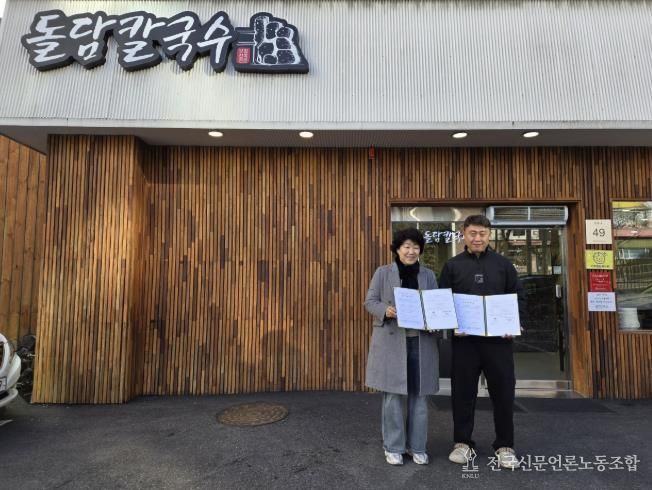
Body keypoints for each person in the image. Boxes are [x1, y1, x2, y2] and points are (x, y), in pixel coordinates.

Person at [439, 215, 525, 470]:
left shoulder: (504, 265)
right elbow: (443, 300)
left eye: (482, 234)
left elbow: (518, 297)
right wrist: (451, 326)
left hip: (499, 341)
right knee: (462, 393)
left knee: (504, 393)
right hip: (465, 342)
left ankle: (505, 446)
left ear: (489, 235)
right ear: (464, 234)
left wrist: (515, 324)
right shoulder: (452, 266)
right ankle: (462, 443)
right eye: (472, 233)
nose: (477, 238)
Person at [364, 228, 439, 466]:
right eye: (406, 246)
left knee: (420, 395)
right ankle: (393, 446)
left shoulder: (428, 275)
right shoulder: (383, 272)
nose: (411, 251)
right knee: (393, 395)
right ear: (397, 249)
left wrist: (437, 319)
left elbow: (436, 305)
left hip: (420, 341)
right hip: (392, 340)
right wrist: (385, 310)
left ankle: (417, 446)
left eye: (416, 247)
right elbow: (370, 301)